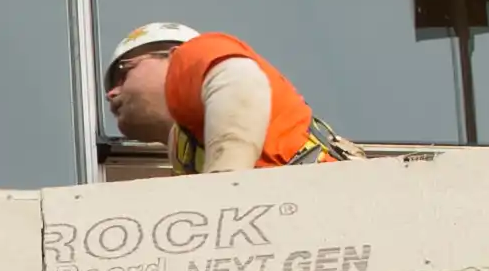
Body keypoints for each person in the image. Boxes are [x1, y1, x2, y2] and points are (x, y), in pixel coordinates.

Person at [99, 16, 348, 173]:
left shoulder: (195, 54)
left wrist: (225, 187)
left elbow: (237, 79)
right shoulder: (185, 148)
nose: (112, 93)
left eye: (124, 72)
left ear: (171, 55)